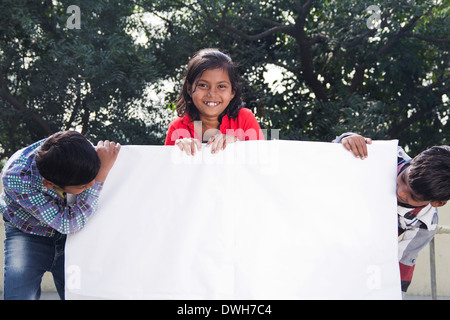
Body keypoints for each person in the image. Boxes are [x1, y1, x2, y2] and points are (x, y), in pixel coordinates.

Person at [1, 131, 121, 300]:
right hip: (27, 232)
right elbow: (68, 223)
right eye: (84, 185)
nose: (92, 184)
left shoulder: (74, 147)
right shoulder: (17, 178)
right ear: (49, 184)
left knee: (82, 294)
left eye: (92, 179)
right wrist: (102, 175)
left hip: (72, 236)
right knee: (19, 295)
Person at [334, 132, 450, 295]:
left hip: (351, 257)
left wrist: (394, 295)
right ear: (414, 159)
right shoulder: (383, 156)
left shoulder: (424, 225)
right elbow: (330, 161)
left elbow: (402, 265)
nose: (401, 193)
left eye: (413, 197)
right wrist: (346, 140)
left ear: (438, 203)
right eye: (403, 179)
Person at [164, 48, 264, 155]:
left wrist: (237, 144)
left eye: (221, 86)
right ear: (189, 89)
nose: (212, 93)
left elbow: (261, 160)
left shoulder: (244, 118)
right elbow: (166, 169)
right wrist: (178, 151)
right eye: (203, 85)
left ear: (232, 92)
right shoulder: (177, 127)